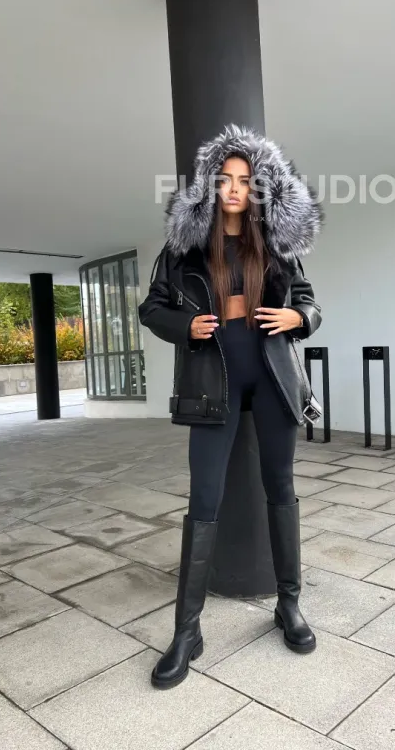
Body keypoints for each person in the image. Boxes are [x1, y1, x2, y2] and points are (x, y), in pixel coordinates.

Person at [138, 124, 324, 690]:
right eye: (226, 179)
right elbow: (152, 308)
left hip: (273, 380)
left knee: (281, 488)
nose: (236, 188)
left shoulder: (277, 245)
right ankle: (186, 631)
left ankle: (288, 605)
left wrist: (296, 317)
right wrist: (185, 325)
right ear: (211, 185)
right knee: (204, 499)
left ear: (260, 187)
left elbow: (311, 305)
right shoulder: (185, 249)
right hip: (211, 383)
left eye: (246, 179)